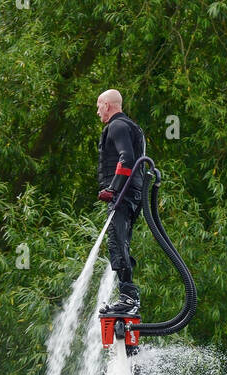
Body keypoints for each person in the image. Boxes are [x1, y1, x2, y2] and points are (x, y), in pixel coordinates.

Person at [96, 88, 146, 316]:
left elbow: (127, 157)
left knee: (116, 241)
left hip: (123, 193)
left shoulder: (117, 126)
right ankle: (127, 294)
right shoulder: (130, 126)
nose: (98, 112)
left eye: (99, 106)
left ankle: (128, 296)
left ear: (107, 105)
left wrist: (112, 188)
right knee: (121, 240)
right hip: (133, 193)